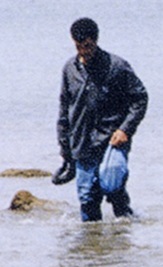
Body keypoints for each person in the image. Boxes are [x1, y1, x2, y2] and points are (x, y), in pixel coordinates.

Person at [53, 17, 149, 222]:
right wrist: (65, 149)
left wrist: (125, 129)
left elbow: (140, 98)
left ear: (95, 41)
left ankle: (126, 227)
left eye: (87, 46)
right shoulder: (69, 69)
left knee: (112, 186)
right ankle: (92, 247)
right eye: (79, 46)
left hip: (112, 140)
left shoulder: (117, 67)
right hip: (81, 143)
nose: (83, 51)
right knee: (87, 198)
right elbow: (63, 111)